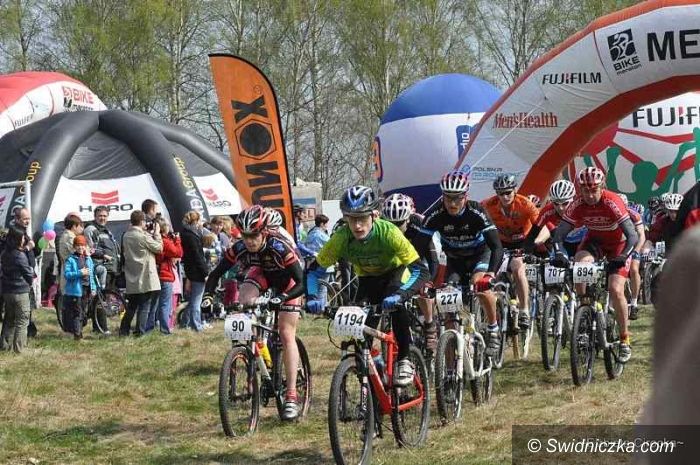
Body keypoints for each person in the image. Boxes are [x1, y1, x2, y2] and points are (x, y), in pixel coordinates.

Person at [309, 186, 429, 388]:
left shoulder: (389, 232)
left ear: (374, 215)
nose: (357, 225)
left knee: (396, 306)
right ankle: (377, 367)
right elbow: (314, 271)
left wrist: (401, 295)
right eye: (351, 219)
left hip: (394, 274)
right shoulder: (341, 237)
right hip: (367, 279)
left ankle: (405, 359)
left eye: (362, 218)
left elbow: (420, 270)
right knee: (359, 331)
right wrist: (313, 297)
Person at [203, 205, 306, 420]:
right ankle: (253, 351)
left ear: (264, 232)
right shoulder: (240, 247)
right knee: (243, 302)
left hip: (289, 281)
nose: (249, 241)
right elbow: (215, 274)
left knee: (286, 333)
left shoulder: (279, 247)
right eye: (246, 235)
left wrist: (282, 298)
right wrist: (208, 297)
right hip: (263, 274)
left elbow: (301, 282)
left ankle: (291, 395)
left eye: (254, 235)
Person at [551, 167, 638, 362]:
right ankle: (584, 313)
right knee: (579, 266)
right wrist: (559, 252)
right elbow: (559, 234)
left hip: (618, 246)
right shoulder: (577, 204)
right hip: (594, 243)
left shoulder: (612, 201)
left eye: (594, 190)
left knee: (615, 289)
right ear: (580, 189)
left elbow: (633, 235)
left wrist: (623, 256)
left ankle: (624, 339)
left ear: (602, 186)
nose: (590, 195)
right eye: (585, 190)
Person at [422, 170, 504, 357]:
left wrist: (490, 274)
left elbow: (496, 246)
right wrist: (422, 280)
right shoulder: (435, 215)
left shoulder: (477, 211)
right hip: (455, 259)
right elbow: (419, 248)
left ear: (465, 196)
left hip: (480, 255)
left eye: (457, 198)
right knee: (448, 303)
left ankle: (493, 329)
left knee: (479, 284)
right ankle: (450, 365)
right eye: (448, 198)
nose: (452, 203)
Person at [381, 193, 440, 351]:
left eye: (399, 223)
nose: (395, 228)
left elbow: (432, 259)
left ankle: (430, 326)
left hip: (422, 258)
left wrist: (428, 282)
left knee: (423, 291)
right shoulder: (382, 227)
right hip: (401, 261)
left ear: (407, 219)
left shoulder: (419, 225)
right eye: (390, 224)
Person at [482, 174, 539, 329]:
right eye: (500, 193)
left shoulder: (525, 204)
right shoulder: (488, 204)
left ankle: (524, 310)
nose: (504, 197)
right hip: (500, 242)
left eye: (508, 192)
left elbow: (540, 224)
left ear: (515, 190)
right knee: (493, 272)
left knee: (517, 268)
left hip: (522, 242)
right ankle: (498, 308)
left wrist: (531, 246)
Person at [119, 210, 162, 337]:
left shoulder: (126, 235)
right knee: (144, 305)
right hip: (145, 275)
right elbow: (159, 248)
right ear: (142, 221)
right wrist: (157, 234)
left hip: (132, 274)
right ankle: (139, 332)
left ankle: (124, 330)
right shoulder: (143, 236)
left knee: (132, 305)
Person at [523, 180, 585, 258]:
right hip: (564, 243)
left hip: (584, 241)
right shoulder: (547, 211)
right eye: (556, 203)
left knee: (583, 259)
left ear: (573, 199)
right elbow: (533, 234)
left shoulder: (582, 208)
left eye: (565, 203)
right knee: (556, 261)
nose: (560, 208)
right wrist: (526, 253)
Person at [0, 226, 34, 352]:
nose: (24, 240)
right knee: (22, 320)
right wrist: (31, 281)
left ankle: (4, 345)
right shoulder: (19, 255)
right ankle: (19, 349)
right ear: (17, 239)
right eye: (23, 238)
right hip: (20, 291)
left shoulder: (4, 253)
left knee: (9, 318)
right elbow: (28, 273)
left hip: (7, 290)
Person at [617, 193, 646, 321]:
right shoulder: (612, 213)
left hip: (634, 245)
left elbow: (641, 235)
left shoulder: (634, 215)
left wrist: (636, 251)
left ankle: (634, 303)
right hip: (620, 245)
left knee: (634, 269)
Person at [180, 210, 209, 332]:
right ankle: (196, 326)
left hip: (190, 270)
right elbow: (198, 257)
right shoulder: (192, 236)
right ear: (195, 222)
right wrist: (205, 273)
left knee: (193, 300)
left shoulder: (185, 234)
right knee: (197, 300)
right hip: (197, 272)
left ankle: (184, 322)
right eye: (199, 221)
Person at [63, 235, 96, 341]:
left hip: (86, 289)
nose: (80, 247)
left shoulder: (88, 259)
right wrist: (79, 273)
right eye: (78, 245)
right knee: (77, 313)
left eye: (82, 245)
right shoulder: (70, 259)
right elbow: (67, 274)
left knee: (84, 313)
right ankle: (77, 335)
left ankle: (78, 331)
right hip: (76, 291)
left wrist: (93, 288)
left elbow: (92, 274)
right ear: (74, 247)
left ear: (85, 246)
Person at [155, 218, 182, 335]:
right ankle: (165, 329)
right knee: (165, 304)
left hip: (158, 273)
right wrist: (177, 240)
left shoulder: (156, 239)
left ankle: (153, 326)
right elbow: (178, 253)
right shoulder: (165, 241)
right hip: (165, 274)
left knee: (156, 303)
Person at [84, 206, 120, 289]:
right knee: (102, 295)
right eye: (100, 216)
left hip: (111, 270)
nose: (102, 218)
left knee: (109, 295)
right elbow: (90, 250)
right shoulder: (91, 230)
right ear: (95, 216)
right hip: (101, 271)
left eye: (105, 216)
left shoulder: (107, 231)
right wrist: (103, 256)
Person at [298, 214, 331, 304]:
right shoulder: (322, 235)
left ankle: (313, 306)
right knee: (322, 290)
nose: (327, 226)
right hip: (323, 264)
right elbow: (332, 246)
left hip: (310, 264)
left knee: (312, 289)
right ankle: (321, 307)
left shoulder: (310, 234)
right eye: (326, 224)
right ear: (322, 224)